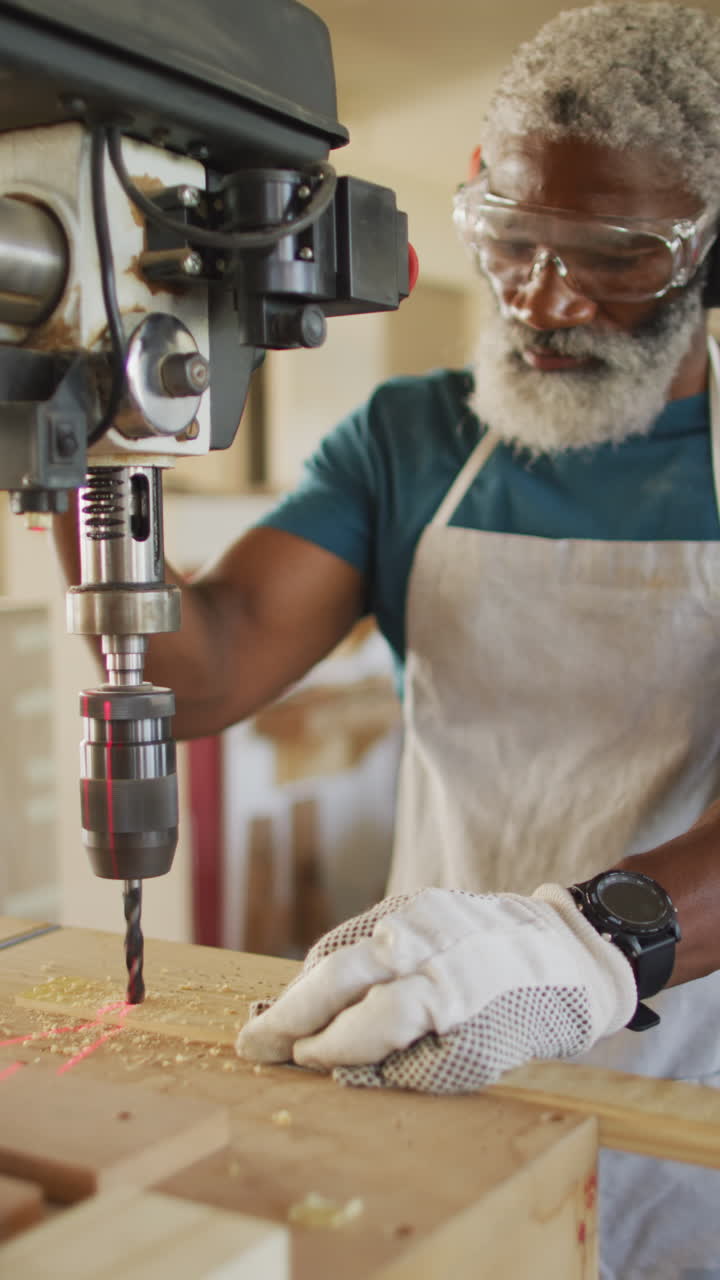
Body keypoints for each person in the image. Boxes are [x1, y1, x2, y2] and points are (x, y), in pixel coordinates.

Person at [54, 3, 720, 1275]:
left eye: (613, 256)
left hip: (689, 1065)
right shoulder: (412, 439)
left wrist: (585, 938)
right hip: (438, 1034)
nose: (543, 295)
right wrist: (73, 438)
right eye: (511, 238)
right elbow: (203, 667)